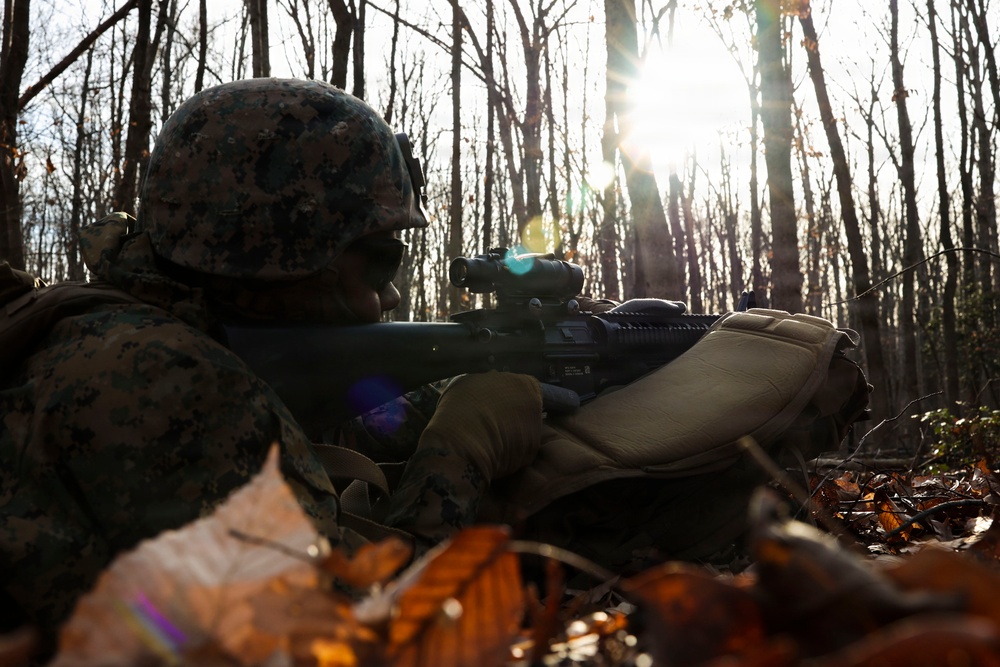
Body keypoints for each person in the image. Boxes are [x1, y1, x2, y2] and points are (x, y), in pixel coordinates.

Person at [0, 78, 544, 653]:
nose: (392, 298)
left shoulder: (112, 333)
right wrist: (459, 456)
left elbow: (333, 420)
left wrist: (462, 382)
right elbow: (359, 646)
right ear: (284, 257)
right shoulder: (178, 383)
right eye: (381, 261)